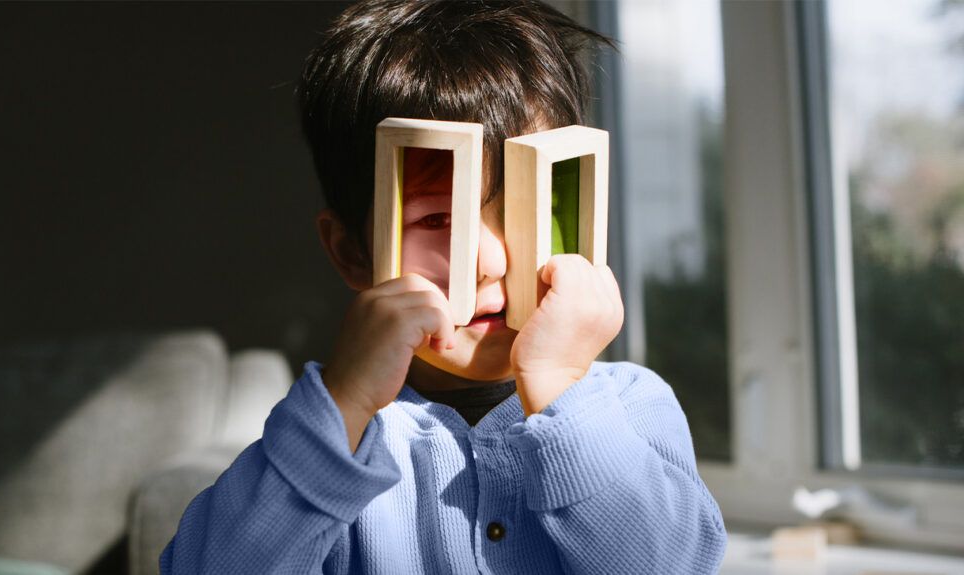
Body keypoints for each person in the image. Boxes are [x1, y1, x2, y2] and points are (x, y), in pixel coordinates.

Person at [160, 1, 728, 572]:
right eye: (436, 220)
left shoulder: (631, 407)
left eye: (527, 212)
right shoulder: (339, 430)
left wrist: (559, 387)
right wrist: (347, 402)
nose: (490, 261)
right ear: (352, 252)